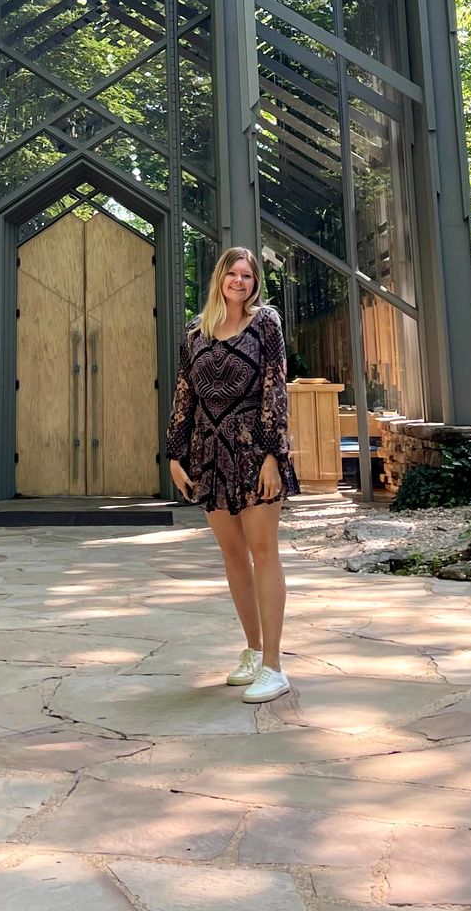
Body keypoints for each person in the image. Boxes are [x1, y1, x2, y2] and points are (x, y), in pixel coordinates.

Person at [166, 245, 298, 703]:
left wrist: (271, 454)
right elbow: (185, 395)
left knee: (264, 552)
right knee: (232, 554)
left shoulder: (265, 323)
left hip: (253, 449)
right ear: (219, 279)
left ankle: (275, 667)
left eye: (247, 275)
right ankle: (252, 649)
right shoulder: (194, 333)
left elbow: (275, 388)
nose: (239, 281)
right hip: (208, 453)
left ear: (255, 283)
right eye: (232, 274)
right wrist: (175, 454)